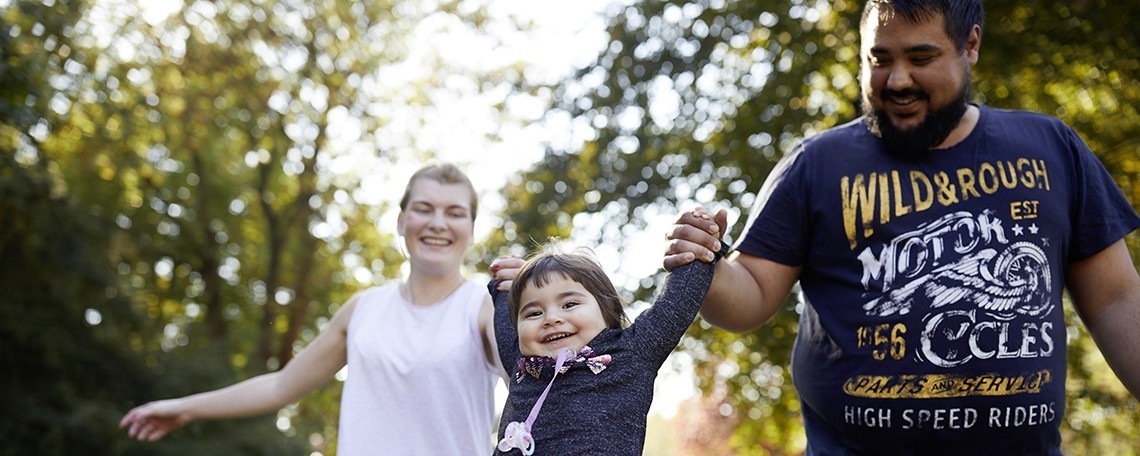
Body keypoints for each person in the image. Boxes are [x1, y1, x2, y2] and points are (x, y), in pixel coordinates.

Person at [664, 0, 1140, 454]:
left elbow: (1116, 298)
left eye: (921, 57)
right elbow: (748, 298)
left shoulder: (1050, 148)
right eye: (879, 58)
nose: (897, 80)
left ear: (970, 45)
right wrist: (708, 262)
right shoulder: (816, 165)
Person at [120, 163, 504, 454]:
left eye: (454, 213)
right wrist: (186, 409)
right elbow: (280, 386)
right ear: (402, 221)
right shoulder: (364, 309)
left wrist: (534, 300)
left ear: (471, 229)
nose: (438, 223)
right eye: (424, 208)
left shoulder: (486, 305)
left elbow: (532, 378)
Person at [487, 229, 730, 455]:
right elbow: (505, 324)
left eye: (569, 304)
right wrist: (502, 288)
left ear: (607, 311)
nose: (551, 318)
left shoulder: (630, 353)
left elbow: (676, 304)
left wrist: (700, 245)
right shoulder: (523, 367)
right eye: (533, 313)